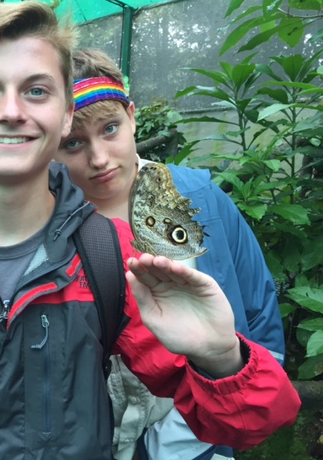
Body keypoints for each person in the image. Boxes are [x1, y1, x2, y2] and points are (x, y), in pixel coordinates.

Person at [0, 1, 300, 460]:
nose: (11, 110)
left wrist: (221, 357)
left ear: (64, 116)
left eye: (36, 90)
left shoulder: (113, 250)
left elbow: (247, 419)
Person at [53, 48, 287, 460]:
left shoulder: (200, 200)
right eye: (72, 143)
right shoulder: (50, 229)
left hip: (204, 433)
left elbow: (258, 308)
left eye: (110, 129)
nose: (99, 159)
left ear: (131, 116)